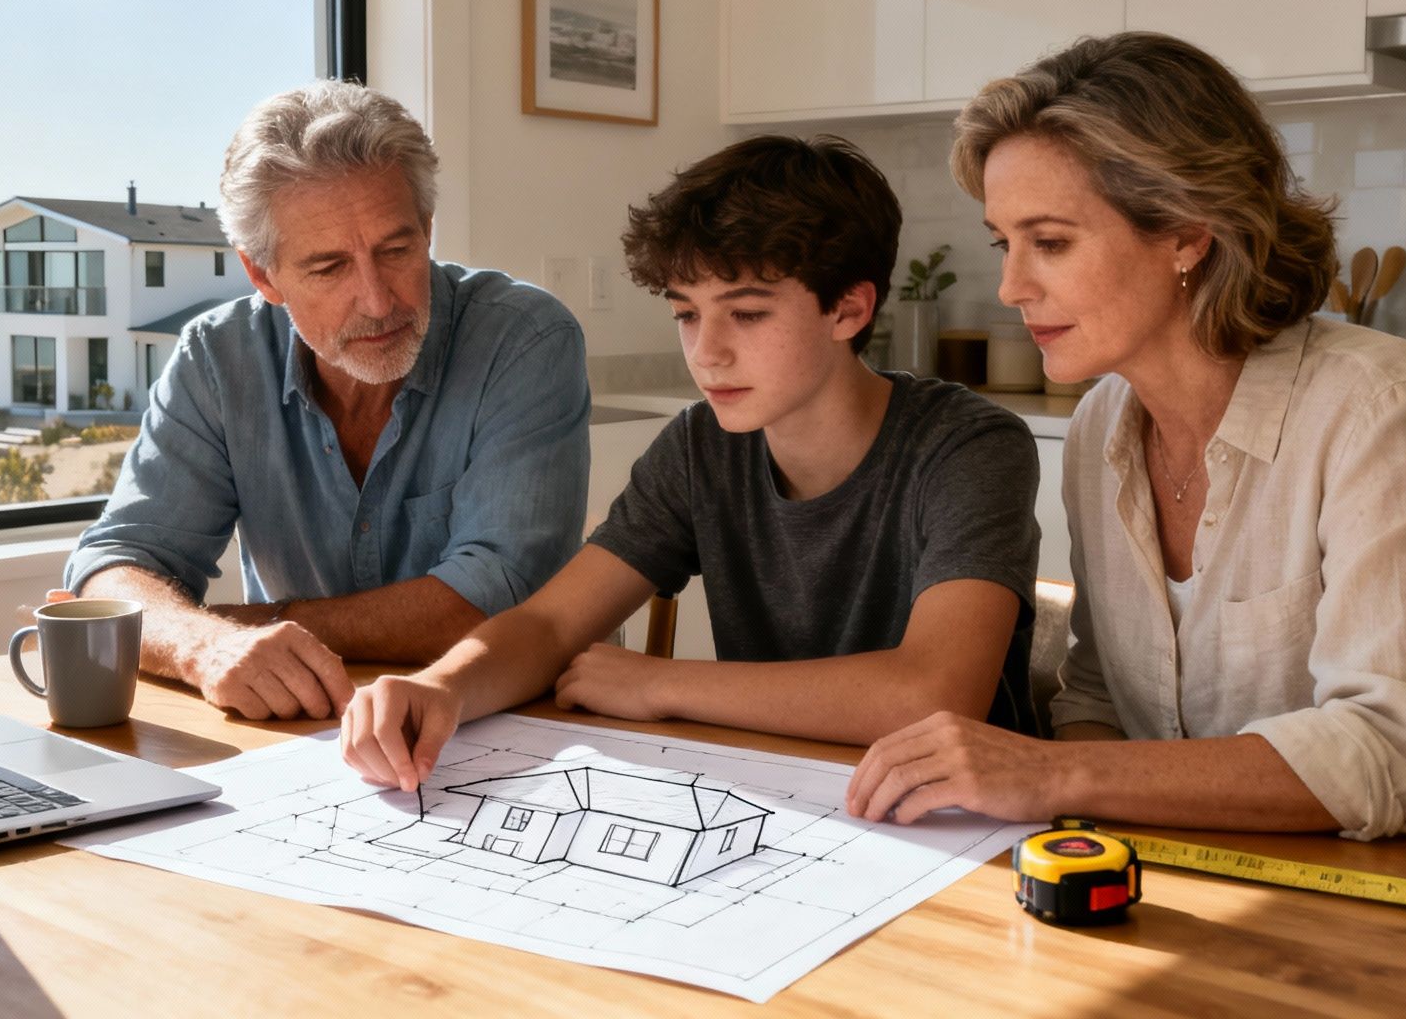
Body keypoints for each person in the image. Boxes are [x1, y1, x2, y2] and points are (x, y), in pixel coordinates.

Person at [848, 32, 1406, 845]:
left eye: (1051, 242)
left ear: (1186, 231)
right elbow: (1099, 696)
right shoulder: (1102, 424)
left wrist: (1052, 775)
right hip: (1225, 858)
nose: (1009, 286)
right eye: (1006, 243)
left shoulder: (1380, 405)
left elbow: (1404, 756)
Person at [340, 134, 1042, 792]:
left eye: (748, 313)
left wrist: (661, 683)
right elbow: (549, 627)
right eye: (686, 314)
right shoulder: (700, 447)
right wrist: (441, 687)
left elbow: (935, 694)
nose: (706, 353)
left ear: (849, 309)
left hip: (966, 820)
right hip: (793, 794)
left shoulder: (968, 446)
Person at [62, 82, 591, 723]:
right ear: (262, 275)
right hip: (301, 730)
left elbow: (495, 599)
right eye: (329, 267)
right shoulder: (217, 357)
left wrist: (256, 623)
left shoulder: (525, 339)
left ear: (427, 230)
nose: (378, 300)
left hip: (514, 724)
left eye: (396, 250)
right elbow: (117, 566)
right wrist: (205, 645)